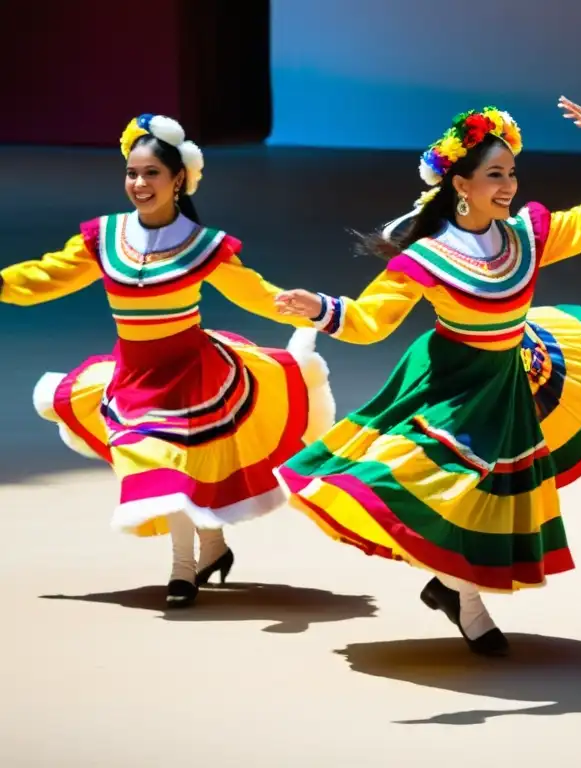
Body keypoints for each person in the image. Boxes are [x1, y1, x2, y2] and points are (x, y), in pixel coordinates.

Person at [273, 97, 581, 656]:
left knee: (490, 493)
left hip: (511, 377)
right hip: (451, 381)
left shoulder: (526, 236)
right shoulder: (427, 256)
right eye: (495, 175)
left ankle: (453, 593)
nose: (509, 185)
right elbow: (372, 321)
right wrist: (320, 308)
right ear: (460, 184)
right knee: (445, 484)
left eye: (512, 173)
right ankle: (466, 602)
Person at [0, 114, 337, 607]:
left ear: (178, 179)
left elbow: (256, 293)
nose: (139, 183)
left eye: (152, 173)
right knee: (159, 461)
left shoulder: (203, 246)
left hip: (192, 372)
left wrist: (309, 307)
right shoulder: (105, 237)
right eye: (132, 173)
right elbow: (48, 276)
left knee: (173, 466)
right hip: (134, 375)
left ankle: (182, 568)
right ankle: (214, 546)